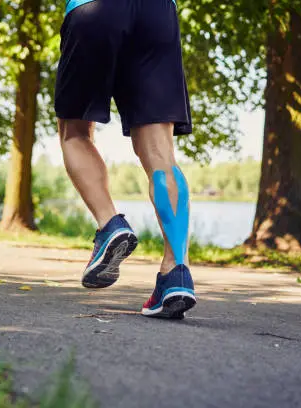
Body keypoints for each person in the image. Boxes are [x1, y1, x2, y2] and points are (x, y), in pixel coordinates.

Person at [55, 0, 196, 319]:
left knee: (74, 131)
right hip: (156, 12)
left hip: (93, 8)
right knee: (161, 151)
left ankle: (110, 225)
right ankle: (177, 273)